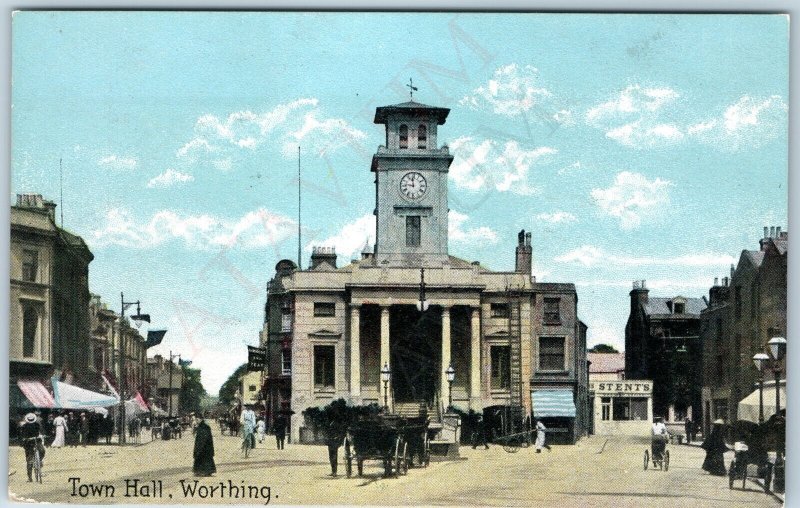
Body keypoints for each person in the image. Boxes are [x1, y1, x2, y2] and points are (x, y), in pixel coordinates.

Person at [19, 413, 45, 482]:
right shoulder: (24, 426)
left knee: (42, 451)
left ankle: (39, 461)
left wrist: (42, 435)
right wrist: (24, 439)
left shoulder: (37, 425)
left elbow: (40, 431)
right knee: (29, 460)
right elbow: (22, 435)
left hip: (36, 441)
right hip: (29, 443)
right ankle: (29, 477)